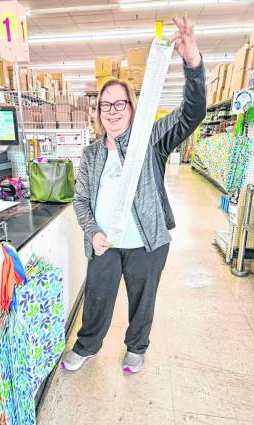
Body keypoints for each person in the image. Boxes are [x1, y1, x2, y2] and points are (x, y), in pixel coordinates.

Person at [62, 16, 206, 373]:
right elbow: (81, 200)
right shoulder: (92, 153)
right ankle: (87, 345)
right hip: (104, 244)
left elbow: (193, 113)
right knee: (97, 298)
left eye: (119, 103)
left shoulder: (151, 138)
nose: (112, 111)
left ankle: (136, 347)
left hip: (146, 243)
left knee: (143, 300)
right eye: (104, 105)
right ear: (98, 113)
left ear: (132, 107)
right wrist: (92, 232)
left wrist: (192, 64)